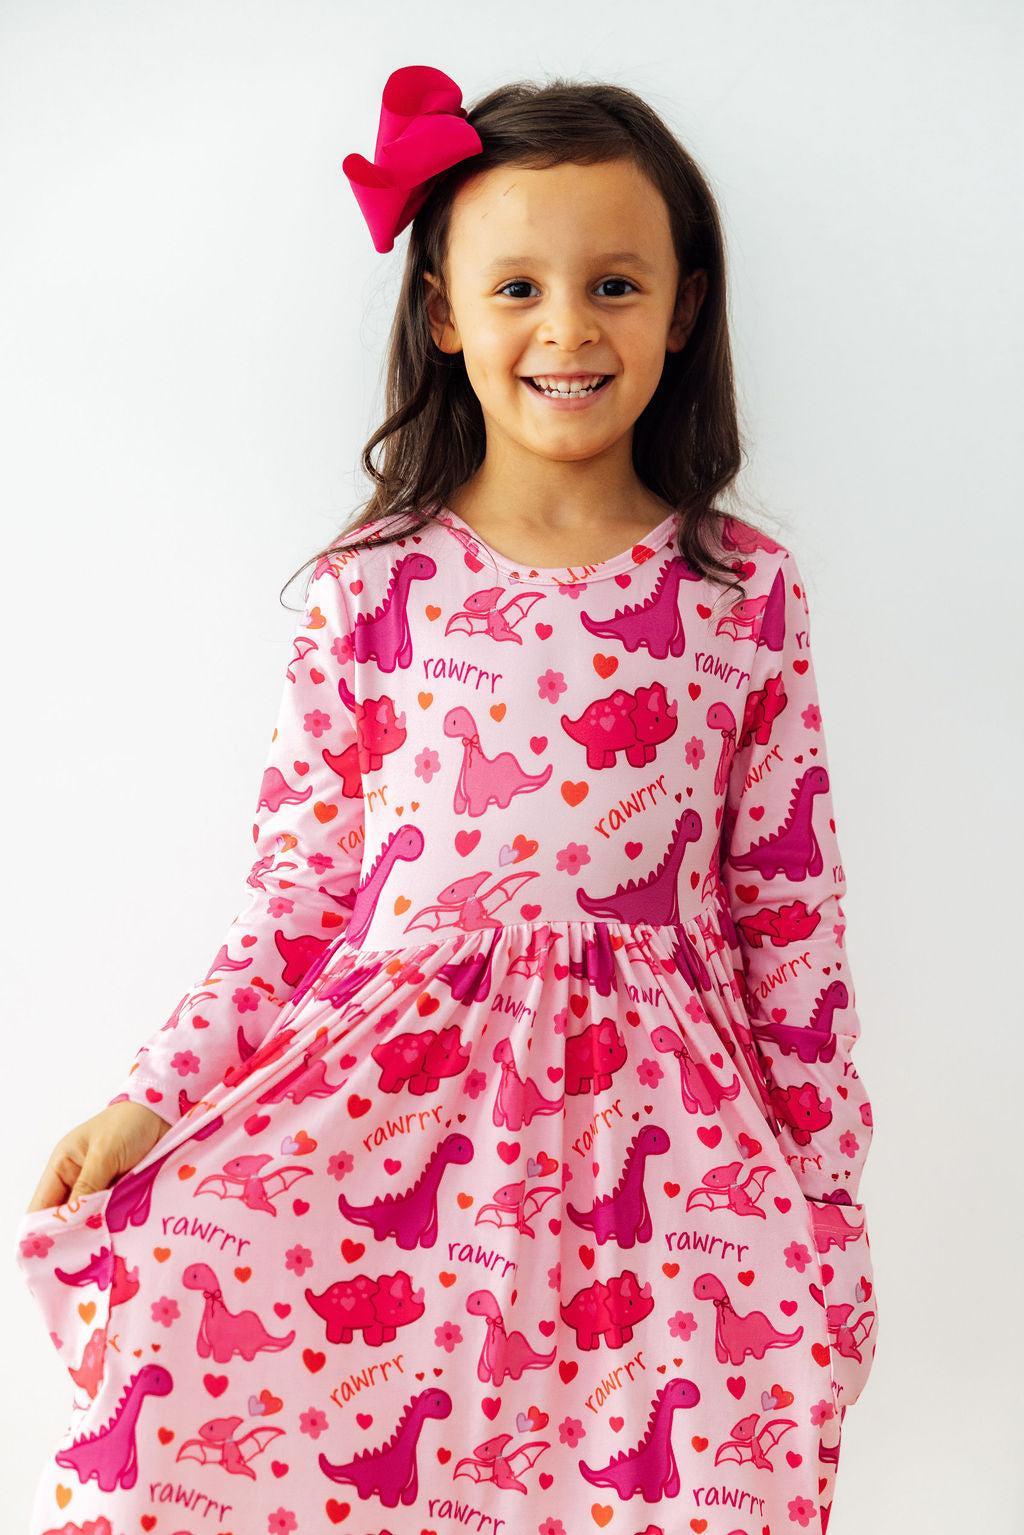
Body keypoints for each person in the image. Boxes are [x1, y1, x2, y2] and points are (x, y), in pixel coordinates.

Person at [15, 63, 877, 1534]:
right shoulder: (371, 591)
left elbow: (792, 929)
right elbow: (296, 902)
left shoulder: (741, 594)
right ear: (443, 314)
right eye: (518, 287)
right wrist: (153, 1098)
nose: (568, 328)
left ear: (683, 309)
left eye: (614, 285)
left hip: (666, 1171)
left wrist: (831, 1209)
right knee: (203, 1332)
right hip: (395, 1123)